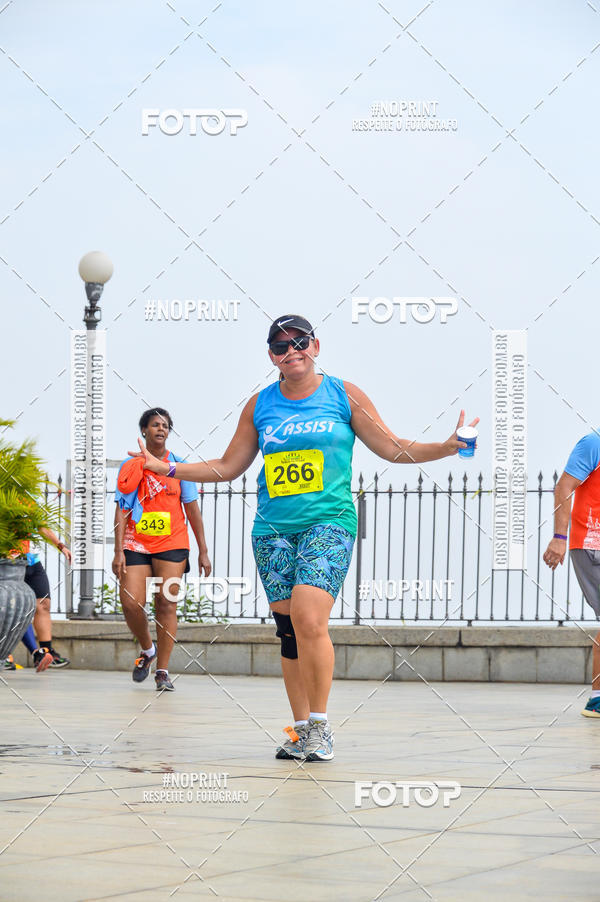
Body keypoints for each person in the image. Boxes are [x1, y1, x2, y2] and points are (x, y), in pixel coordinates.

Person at [129, 315, 478, 759]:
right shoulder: (260, 405)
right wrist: (170, 468)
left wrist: (447, 446)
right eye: (280, 345)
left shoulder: (343, 394)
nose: (291, 350)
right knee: (289, 631)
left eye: (300, 341)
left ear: (316, 345)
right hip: (273, 529)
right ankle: (298, 731)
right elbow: (228, 465)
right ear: (270, 355)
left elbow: (393, 448)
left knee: (310, 617)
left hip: (329, 522)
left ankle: (320, 726)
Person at [113, 407, 211, 691]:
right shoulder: (131, 466)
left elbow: (193, 511)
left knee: (166, 603)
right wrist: (118, 551)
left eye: (165, 425)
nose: (160, 429)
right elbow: (121, 510)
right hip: (137, 543)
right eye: (155, 425)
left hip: (172, 543)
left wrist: (203, 551)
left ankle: (163, 671)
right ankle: (148, 650)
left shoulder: (180, 467)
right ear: (144, 430)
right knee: (132, 602)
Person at [543, 430, 600, 717]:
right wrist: (558, 537)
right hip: (592, 544)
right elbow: (564, 487)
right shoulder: (594, 443)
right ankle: (598, 699)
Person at [4, 531, 72, 671]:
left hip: (31, 560)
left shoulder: (31, 508)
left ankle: (46, 652)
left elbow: (41, 526)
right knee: (13, 609)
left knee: (43, 604)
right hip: (8, 562)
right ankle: (7, 655)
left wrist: (61, 546)